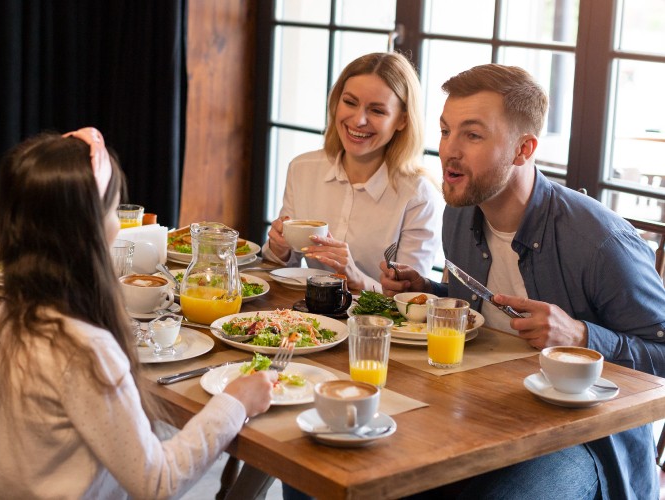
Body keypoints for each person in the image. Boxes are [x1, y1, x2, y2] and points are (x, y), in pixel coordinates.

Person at [379, 64, 665, 499]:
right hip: (481, 408)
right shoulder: (459, 211)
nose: (448, 150)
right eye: (444, 130)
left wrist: (582, 335)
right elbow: (483, 310)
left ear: (522, 149)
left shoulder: (600, 242)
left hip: (578, 440)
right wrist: (428, 290)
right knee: (339, 464)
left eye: (472, 135)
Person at [0, 128, 276, 498]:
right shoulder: (84, 350)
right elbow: (157, 481)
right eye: (113, 209)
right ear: (88, 229)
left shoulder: (6, 318)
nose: (118, 224)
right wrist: (234, 401)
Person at [262, 52, 443, 291]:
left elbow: (409, 298)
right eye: (350, 102)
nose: (358, 120)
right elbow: (284, 266)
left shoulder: (419, 195)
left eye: (377, 111)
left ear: (402, 121)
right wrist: (279, 249)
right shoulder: (302, 169)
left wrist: (355, 278)